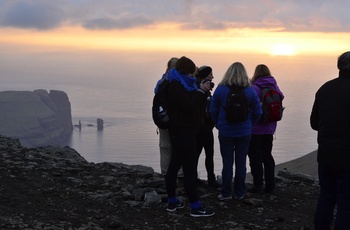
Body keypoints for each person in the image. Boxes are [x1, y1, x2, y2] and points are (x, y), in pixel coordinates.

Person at [165, 56, 215, 217]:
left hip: (179, 131)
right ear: (187, 70)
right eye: (193, 71)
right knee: (188, 169)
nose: (194, 75)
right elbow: (188, 106)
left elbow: (189, 103)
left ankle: (172, 201)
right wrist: (201, 92)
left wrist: (199, 90)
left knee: (174, 166)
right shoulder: (176, 85)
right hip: (184, 132)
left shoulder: (177, 82)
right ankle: (195, 206)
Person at [210, 62, 262, 201]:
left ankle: (226, 193)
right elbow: (258, 111)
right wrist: (250, 124)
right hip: (244, 132)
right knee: (241, 163)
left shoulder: (221, 89)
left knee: (227, 163)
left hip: (226, 131)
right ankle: (239, 192)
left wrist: (218, 124)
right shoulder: (249, 90)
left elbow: (213, 110)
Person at [310, 51, 350, 229]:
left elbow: (314, 123)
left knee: (326, 197)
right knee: (346, 202)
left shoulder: (325, 88)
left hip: (326, 154)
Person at [247, 64, 284, 194]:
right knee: (267, 156)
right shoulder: (274, 86)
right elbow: (281, 97)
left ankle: (257, 185)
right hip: (269, 128)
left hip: (255, 128)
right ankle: (270, 186)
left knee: (255, 157)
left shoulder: (254, 88)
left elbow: (249, 106)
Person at [154, 57, 184, 179]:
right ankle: (180, 174)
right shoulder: (181, 82)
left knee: (165, 147)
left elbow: (156, 93)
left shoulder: (161, 82)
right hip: (178, 121)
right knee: (179, 147)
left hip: (164, 119)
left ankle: (165, 174)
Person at [194, 66, 220, 188]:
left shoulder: (198, 88)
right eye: (210, 75)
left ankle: (194, 177)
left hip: (202, 127)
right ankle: (211, 180)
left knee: (197, 154)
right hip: (204, 127)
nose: (212, 77)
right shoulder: (203, 90)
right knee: (208, 154)